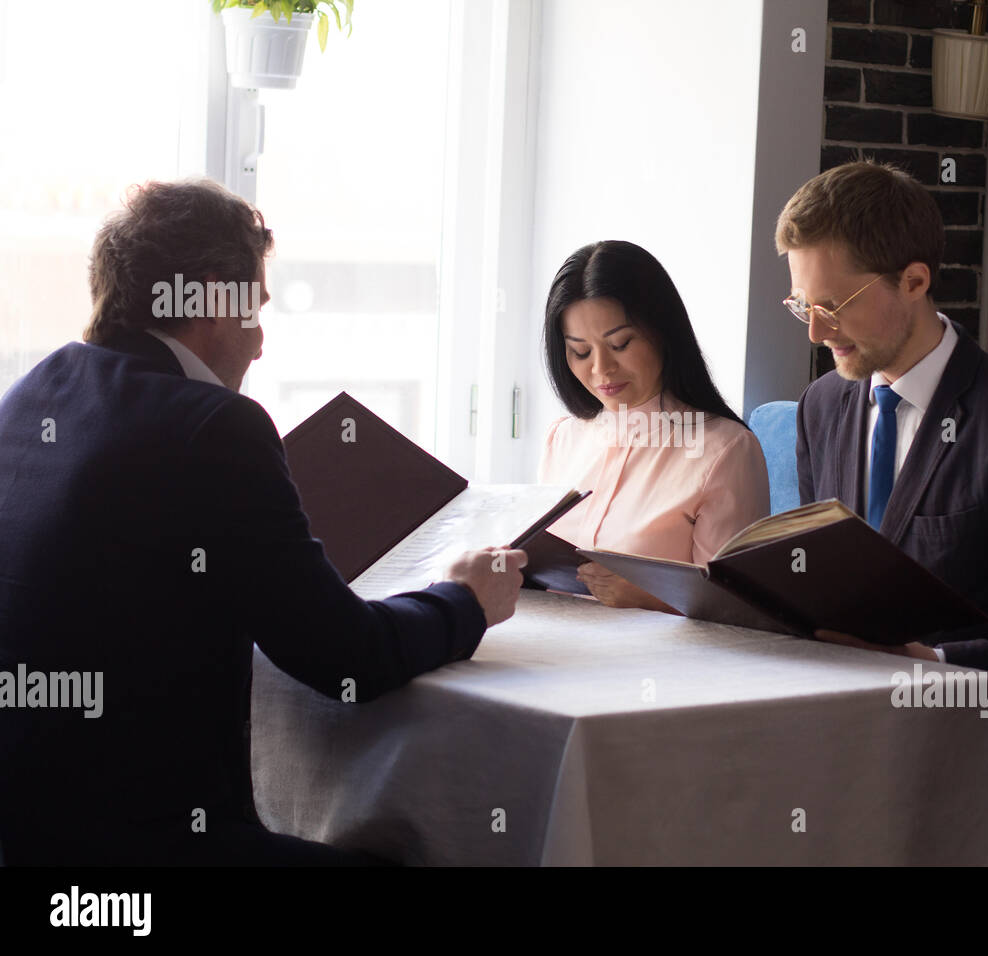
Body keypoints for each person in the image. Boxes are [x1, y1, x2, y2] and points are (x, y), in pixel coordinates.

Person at [0, 178, 526, 865]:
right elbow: (348, 660)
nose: (259, 344)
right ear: (215, 298)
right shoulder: (216, 427)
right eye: (256, 312)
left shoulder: (34, 392)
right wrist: (466, 601)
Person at [777, 161, 988, 755]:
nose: (817, 332)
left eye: (834, 304)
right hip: (834, 725)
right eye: (803, 306)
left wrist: (933, 663)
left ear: (914, 281)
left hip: (969, 744)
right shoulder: (820, 406)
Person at [538, 240, 770, 611]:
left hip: (659, 662)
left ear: (662, 332)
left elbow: (739, 609)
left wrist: (645, 595)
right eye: (580, 351)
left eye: (621, 343)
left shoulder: (725, 450)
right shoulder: (563, 438)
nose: (601, 369)